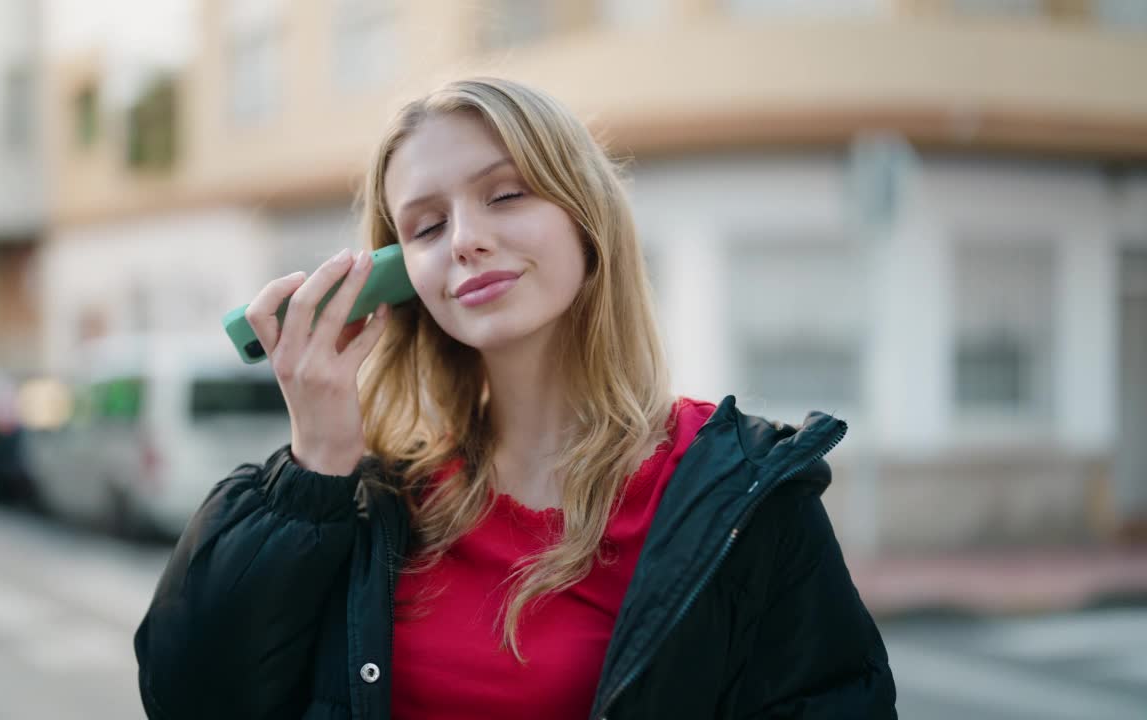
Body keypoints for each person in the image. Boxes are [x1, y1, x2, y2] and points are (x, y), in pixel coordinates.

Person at [133, 77, 897, 720]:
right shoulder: (372, 500)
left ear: (585, 219)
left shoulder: (741, 495)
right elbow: (190, 698)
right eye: (427, 225)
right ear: (401, 277)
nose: (464, 238)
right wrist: (318, 459)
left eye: (506, 195)